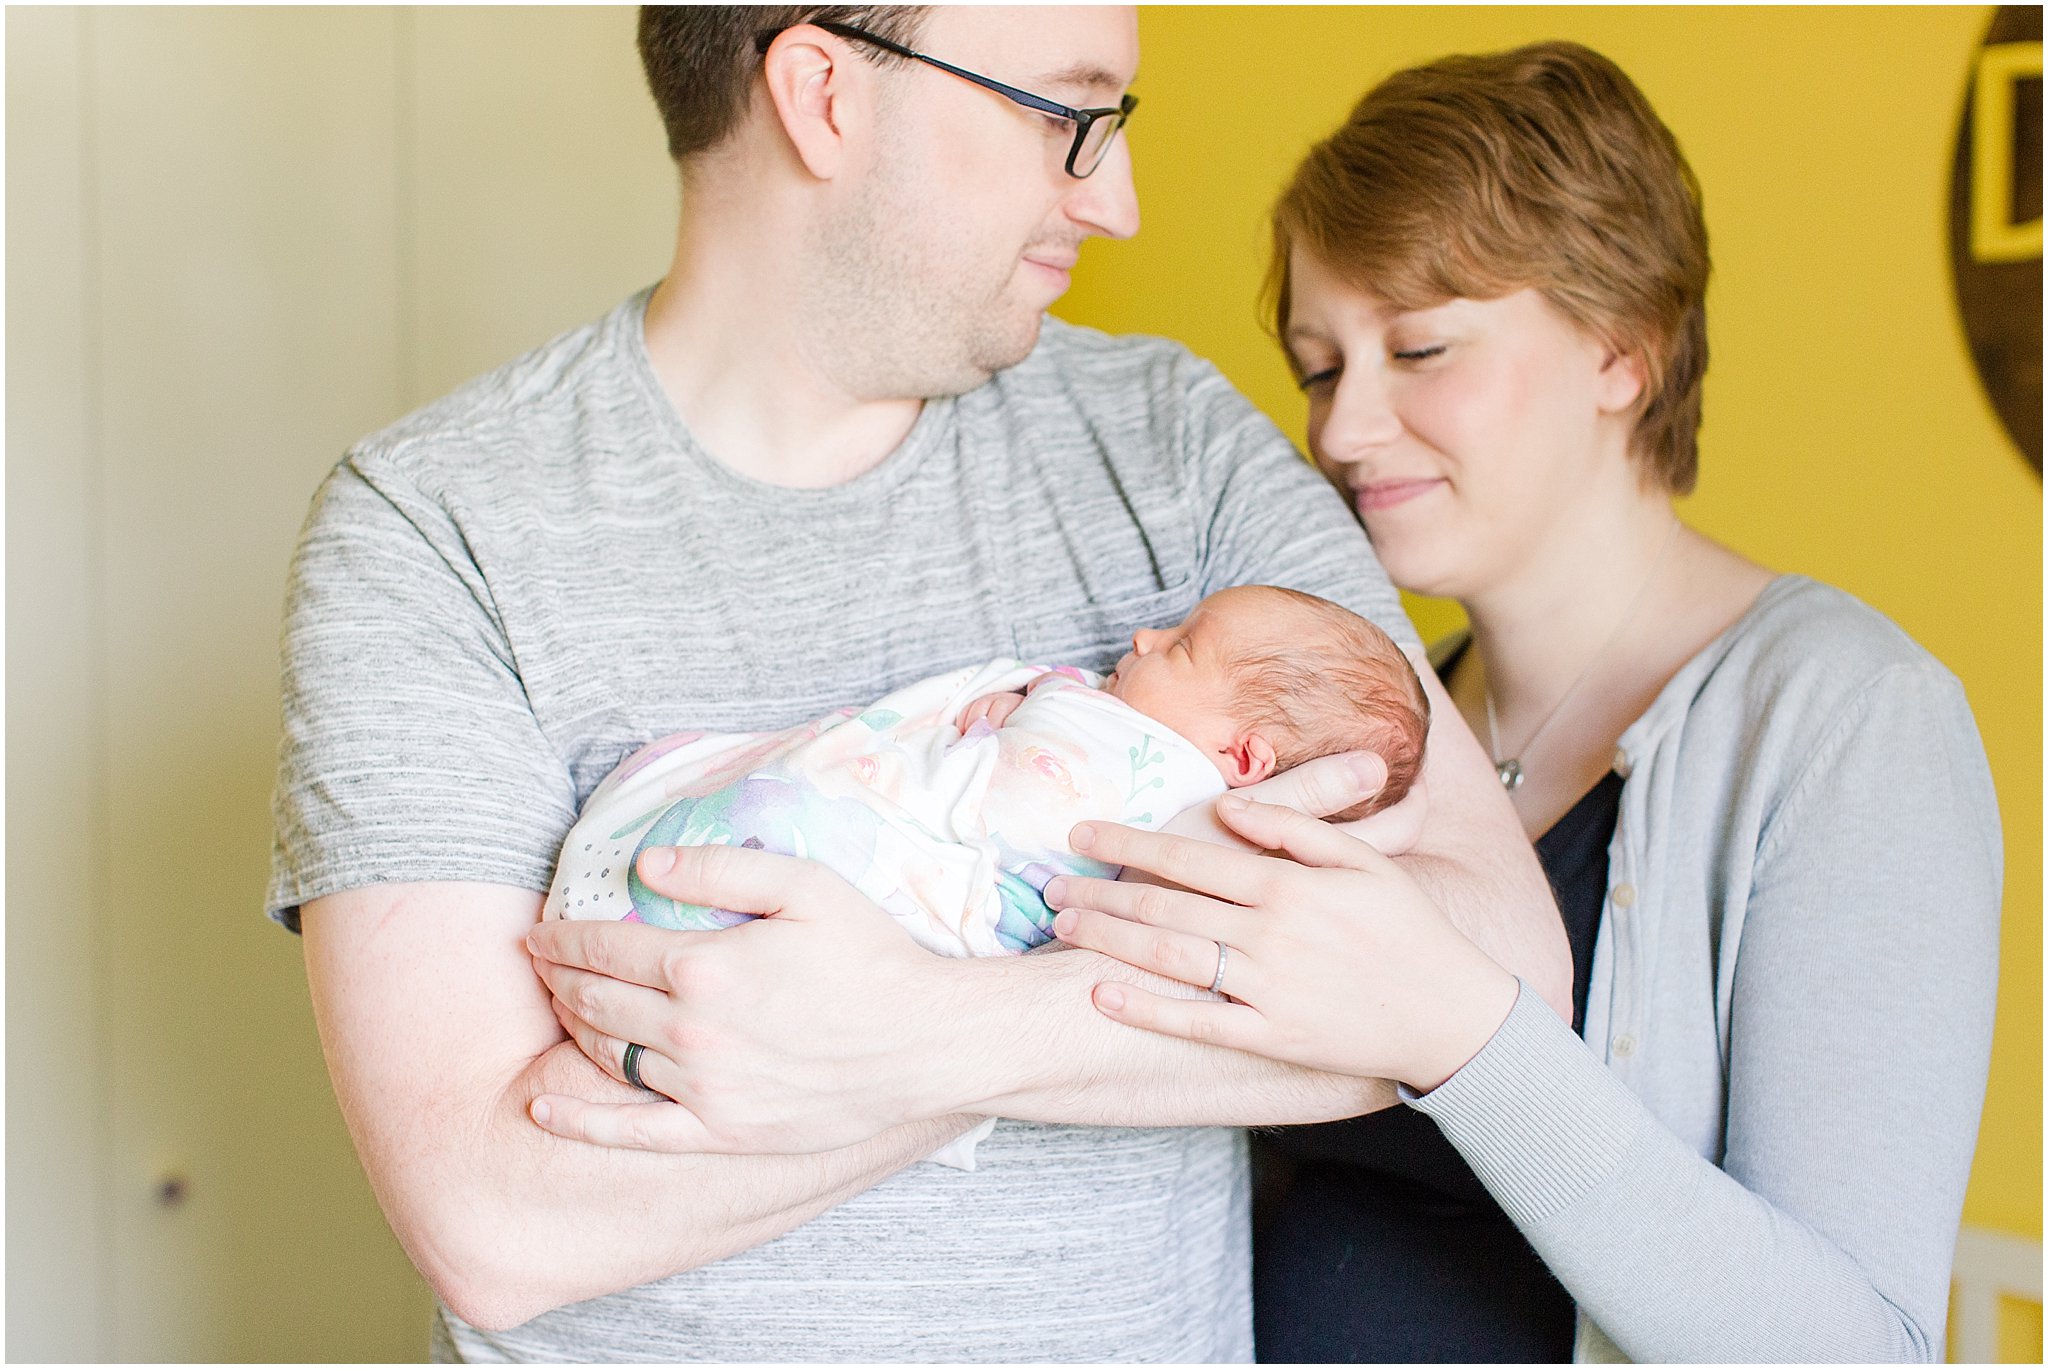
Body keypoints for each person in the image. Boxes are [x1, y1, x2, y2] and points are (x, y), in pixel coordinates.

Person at [273, 7, 1565, 1362]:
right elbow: (495, 1220)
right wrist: (1201, 1021)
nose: (1116, 201)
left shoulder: (1177, 451)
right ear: (822, 94)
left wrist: (928, 1034)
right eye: (1066, 117)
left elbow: (1494, 966)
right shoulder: (434, 525)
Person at [1045, 41, 2003, 1363]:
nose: (1341, 431)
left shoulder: (1847, 724)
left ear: (1626, 348)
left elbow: (1856, 1346)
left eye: (1421, 348)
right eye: (1321, 367)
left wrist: (1466, 1037)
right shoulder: (1374, 732)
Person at [550, 584, 1429, 957]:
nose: (1143, 638)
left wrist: (1021, 732)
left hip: (949, 895)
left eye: (1182, 645)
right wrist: (1022, 706)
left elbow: (1031, 816)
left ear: (1242, 759)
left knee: (780, 828)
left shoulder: (1164, 785)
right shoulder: (1101, 709)